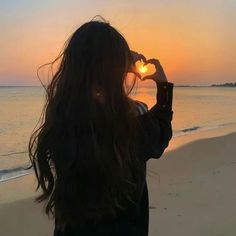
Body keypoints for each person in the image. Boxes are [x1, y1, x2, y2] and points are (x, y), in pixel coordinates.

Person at [28, 17, 174, 236]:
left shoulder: (62, 117)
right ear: (118, 69)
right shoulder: (132, 117)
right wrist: (163, 87)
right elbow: (159, 137)